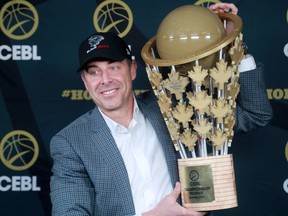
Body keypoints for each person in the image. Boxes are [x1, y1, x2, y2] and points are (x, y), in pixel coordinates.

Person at [49, 3, 273, 216]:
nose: (105, 80)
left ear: (133, 70)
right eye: (94, 72)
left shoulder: (175, 109)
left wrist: (233, 46)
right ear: (85, 81)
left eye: (114, 67)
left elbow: (255, 114)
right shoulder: (71, 142)